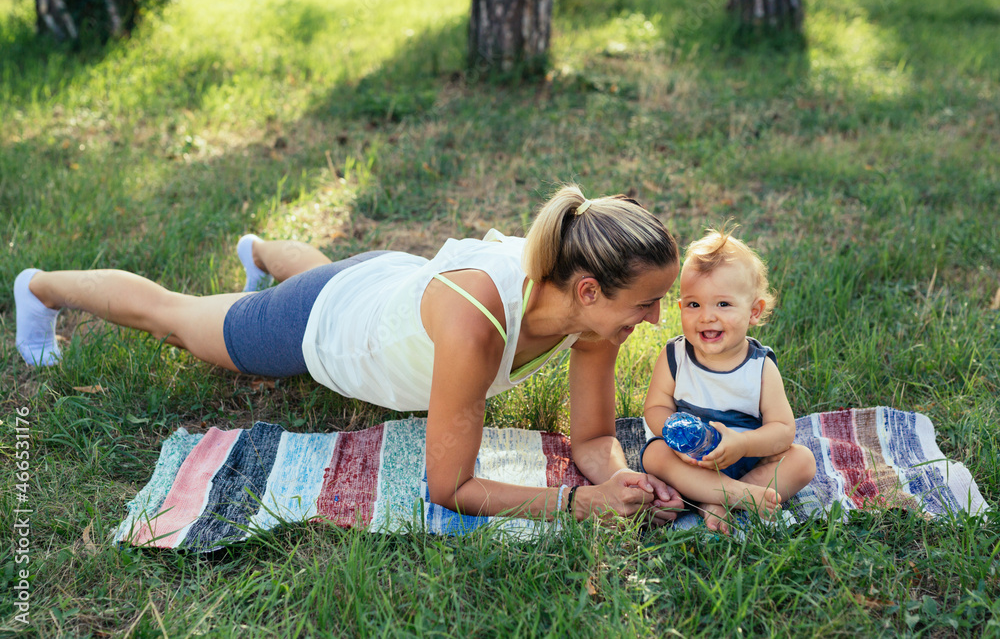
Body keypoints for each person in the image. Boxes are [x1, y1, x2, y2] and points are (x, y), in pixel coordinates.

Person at [15, 185, 685, 525]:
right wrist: (575, 503)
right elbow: (448, 487)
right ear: (589, 289)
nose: (655, 320)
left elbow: (595, 437)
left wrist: (621, 479)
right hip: (326, 323)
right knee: (179, 320)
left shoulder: (588, 309)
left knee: (333, 275)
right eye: (646, 304)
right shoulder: (477, 324)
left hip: (386, 282)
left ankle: (262, 254)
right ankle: (39, 286)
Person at [641, 226, 816, 533]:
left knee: (802, 461)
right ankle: (736, 497)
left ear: (754, 311)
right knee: (655, 455)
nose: (707, 316)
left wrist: (743, 444)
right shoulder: (674, 355)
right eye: (694, 305)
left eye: (723, 304)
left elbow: (783, 431)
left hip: (745, 456)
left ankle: (719, 498)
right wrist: (675, 438)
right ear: (680, 308)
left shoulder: (760, 367)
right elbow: (655, 407)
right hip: (689, 460)